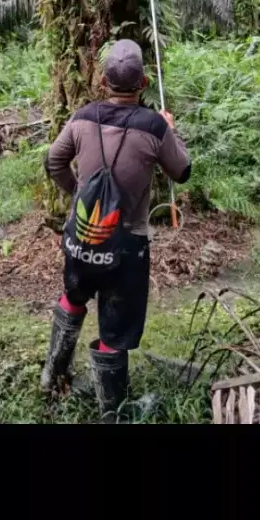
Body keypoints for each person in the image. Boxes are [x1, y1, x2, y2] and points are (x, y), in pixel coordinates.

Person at [41, 38, 191, 419]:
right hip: (126, 245)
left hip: (82, 237)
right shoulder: (154, 126)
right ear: (142, 84)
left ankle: (52, 374)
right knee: (115, 328)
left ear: (103, 82)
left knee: (73, 296)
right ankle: (113, 411)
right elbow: (182, 171)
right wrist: (171, 130)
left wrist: (78, 195)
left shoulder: (81, 118)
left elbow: (53, 161)